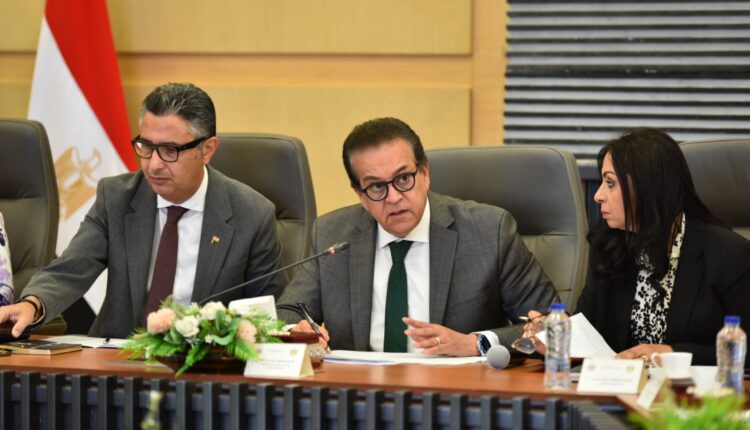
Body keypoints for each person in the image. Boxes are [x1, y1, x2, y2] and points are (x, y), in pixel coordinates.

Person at [0, 83, 285, 338]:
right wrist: (33, 304)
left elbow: (269, 314)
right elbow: (72, 267)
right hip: (119, 357)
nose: (154, 164)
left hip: (203, 365)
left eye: (170, 150)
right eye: (146, 146)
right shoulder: (117, 198)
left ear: (208, 149)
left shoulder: (252, 214)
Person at [277, 117, 557, 356]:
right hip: (359, 392)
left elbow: (551, 324)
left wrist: (476, 344)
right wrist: (297, 330)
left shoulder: (489, 230)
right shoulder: (332, 234)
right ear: (360, 195)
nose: (394, 198)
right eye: (376, 187)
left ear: (424, 174)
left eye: (403, 179)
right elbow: (287, 312)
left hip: (454, 391)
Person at [529, 128, 750, 365]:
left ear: (648, 187)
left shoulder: (730, 254)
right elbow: (591, 333)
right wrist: (559, 338)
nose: (598, 195)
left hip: (694, 387)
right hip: (619, 385)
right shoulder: (609, 247)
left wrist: (674, 353)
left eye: (610, 183)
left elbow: (746, 349)